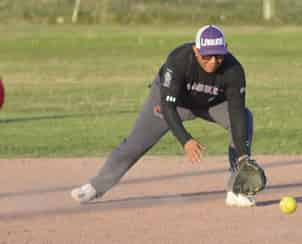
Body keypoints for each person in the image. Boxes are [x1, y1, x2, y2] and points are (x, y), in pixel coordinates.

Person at [71, 25, 264, 207]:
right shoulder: (178, 60)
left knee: (245, 118)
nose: (213, 61)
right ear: (197, 51)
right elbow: (167, 106)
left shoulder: (234, 70)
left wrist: (242, 156)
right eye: (207, 56)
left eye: (219, 56)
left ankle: (236, 188)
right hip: (173, 104)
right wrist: (185, 139)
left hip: (211, 105)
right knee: (135, 144)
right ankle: (95, 187)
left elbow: (237, 114)